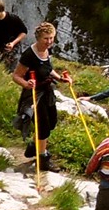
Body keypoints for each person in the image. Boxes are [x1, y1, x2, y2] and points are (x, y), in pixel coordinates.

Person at [15, 22, 71, 168]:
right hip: (34, 93)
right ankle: (42, 158)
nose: (49, 41)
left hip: (47, 91)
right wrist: (26, 84)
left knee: (52, 121)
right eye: (46, 38)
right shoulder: (29, 55)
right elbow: (16, 76)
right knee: (43, 125)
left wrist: (60, 78)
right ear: (38, 38)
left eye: (52, 38)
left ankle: (34, 145)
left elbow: (48, 69)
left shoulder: (47, 51)